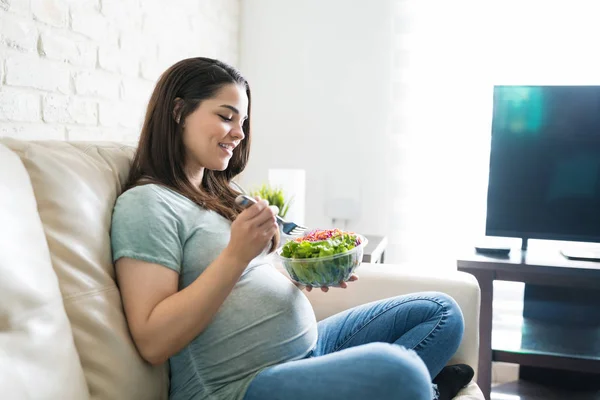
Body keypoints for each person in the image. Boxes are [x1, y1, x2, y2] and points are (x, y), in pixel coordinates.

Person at [110, 57, 474, 400]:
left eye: (244, 122)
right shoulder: (148, 203)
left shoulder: (217, 196)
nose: (238, 133)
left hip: (309, 351)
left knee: (440, 310)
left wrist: (301, 274)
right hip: (240, 386)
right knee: (400, 372)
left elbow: (240, 287)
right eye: (226, 116)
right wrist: (237, 254)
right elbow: (153, 340)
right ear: (178, 111)